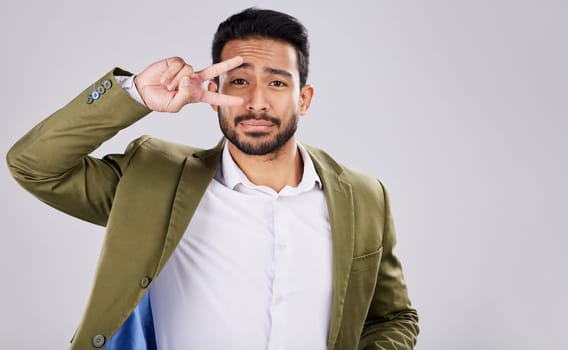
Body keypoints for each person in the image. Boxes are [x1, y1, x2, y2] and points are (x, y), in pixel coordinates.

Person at [6, 7, 418, 350]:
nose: (256, 102)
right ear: (212, 92)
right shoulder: (153, 179)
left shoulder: (365, 198)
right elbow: (34, 165)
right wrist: (134, 94)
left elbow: (394, 317)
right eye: (239, 81)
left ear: (304, 99)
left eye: (276, 82)